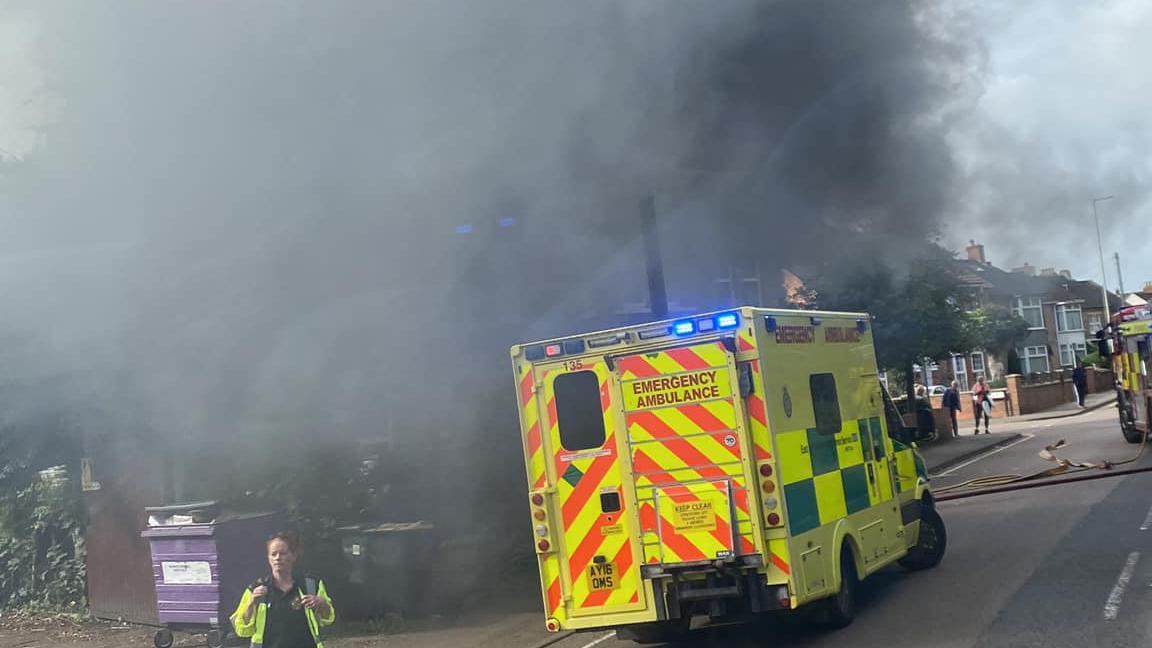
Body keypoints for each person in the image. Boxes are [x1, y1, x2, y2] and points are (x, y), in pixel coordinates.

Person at [231, 531, 336, 648]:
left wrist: (321, 603)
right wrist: (251, 603)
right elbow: (242, 630)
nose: (278, 558)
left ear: (294, 556)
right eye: (273, 554)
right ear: (268, 558)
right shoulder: (255, 590)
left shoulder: (311, 585)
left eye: (283, 553)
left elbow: (328, 619)